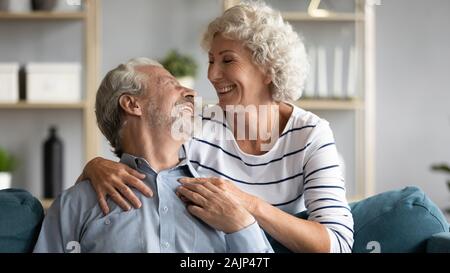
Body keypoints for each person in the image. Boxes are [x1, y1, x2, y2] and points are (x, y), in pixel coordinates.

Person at [79, 2, 354, 253]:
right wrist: (94, 166)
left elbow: (338, 245)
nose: (211, 75)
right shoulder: (196, 126)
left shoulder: (310, 134)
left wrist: (247, 204)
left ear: (269, 68)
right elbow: (141, 168)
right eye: (211, 60)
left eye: (227, 60)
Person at [33, 58, 273, 253]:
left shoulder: (223, 196)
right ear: (132, 104)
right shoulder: (77, 203)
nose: (190, 91)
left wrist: (243, 227)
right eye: (170, 83)